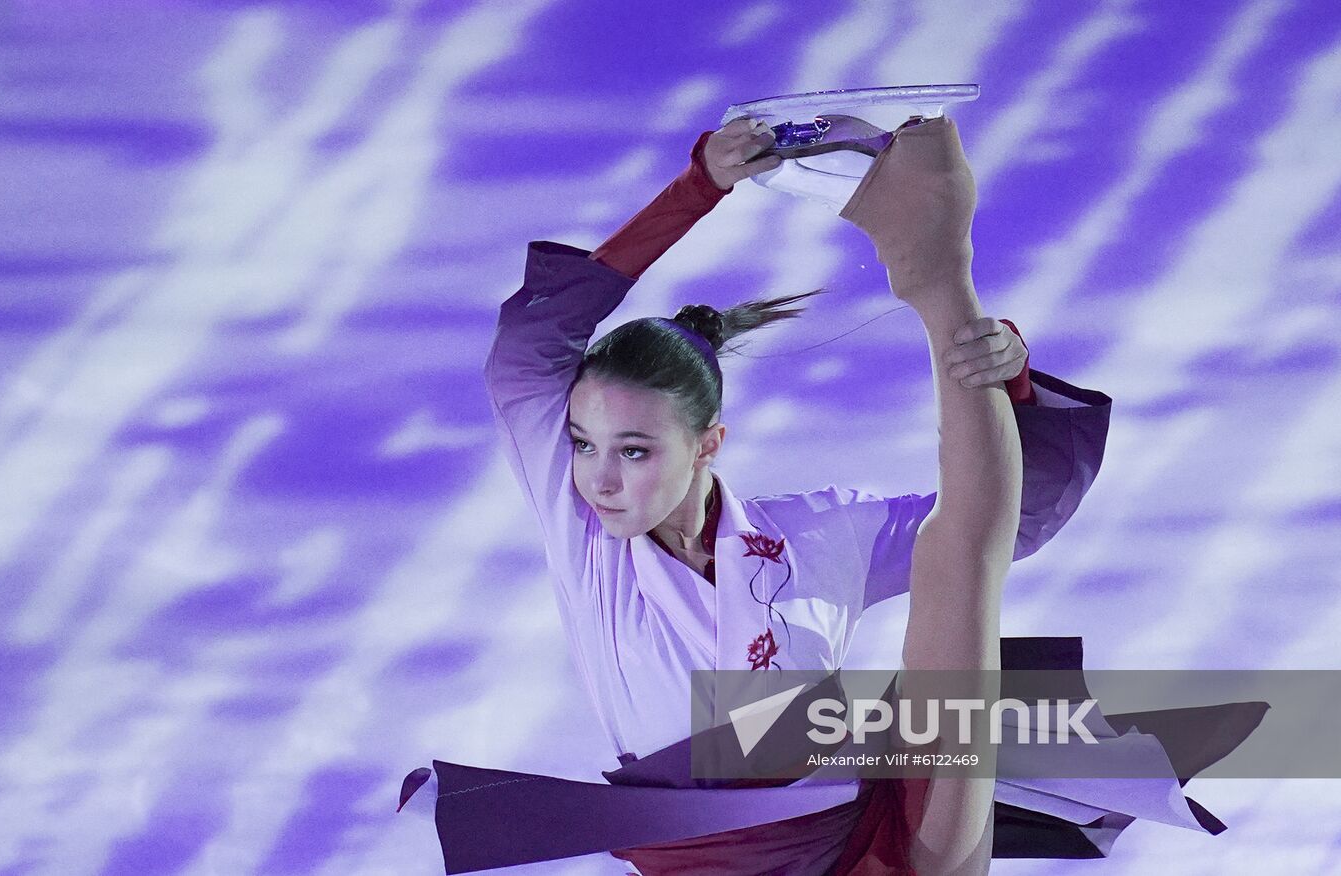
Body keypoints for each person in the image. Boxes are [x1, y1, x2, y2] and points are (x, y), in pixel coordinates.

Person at [401, 114, 1261, 875]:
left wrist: (1015, 382)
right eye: (583, 445)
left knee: (961, 552)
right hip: (713, 850)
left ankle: (934, 275)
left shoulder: (816, 534)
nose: (598, 475)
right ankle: (930, 258)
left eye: (633, 449)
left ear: (708, 445)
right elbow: (526, 348)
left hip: (852, 815)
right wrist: (695, 189)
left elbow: (1009, 519)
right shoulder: (584, 531)